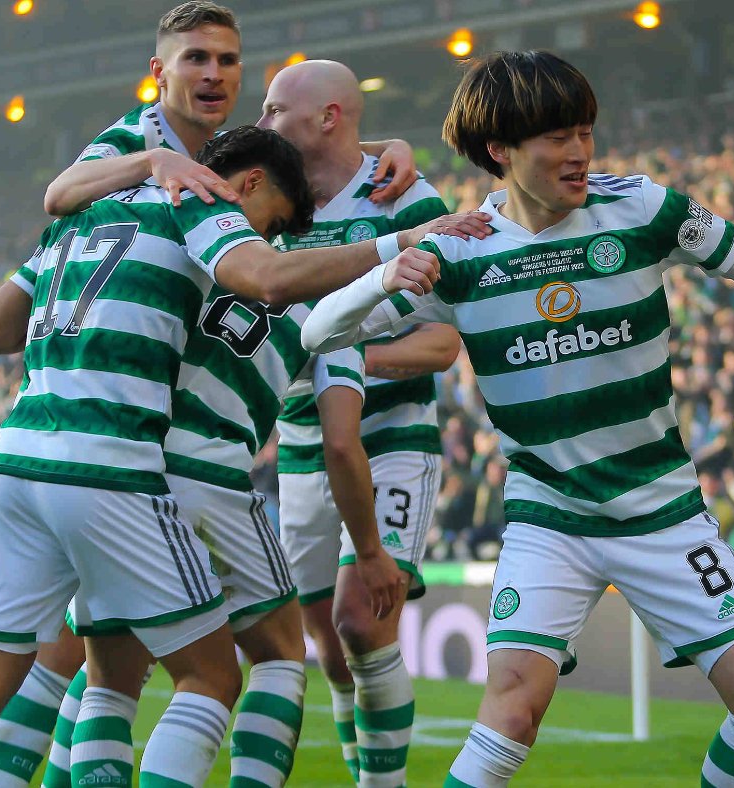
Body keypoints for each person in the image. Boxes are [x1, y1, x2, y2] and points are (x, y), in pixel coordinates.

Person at [302, 50, 734, 787]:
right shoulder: (457, 251)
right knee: (511, 712)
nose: (580, 152)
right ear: (500, 151)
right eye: (558, 138)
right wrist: (383, 276)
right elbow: (317, 333)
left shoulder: (642, 208)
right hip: (551, 519)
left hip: (662, 510)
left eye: (585, 132)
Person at [0, 126, 443, 788]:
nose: (265, 237)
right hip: (124, 466)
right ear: (247, 183)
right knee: (222, 672)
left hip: (17, 458)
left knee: (16, 683)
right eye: (270, 221)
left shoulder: (84, 214)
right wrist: (397, 247)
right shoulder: (206, 214)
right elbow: (271, 284)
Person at [258, 59, 461, 787]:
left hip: (391, 438)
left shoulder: (409, 201)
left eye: (275, 109)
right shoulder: (272, 203)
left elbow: (443, 341)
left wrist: (337, 357)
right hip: (302, 450)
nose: (262, 123)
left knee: (361, 621)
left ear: (328, 118)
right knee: (330, 647)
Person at [42, 2, 419, 220]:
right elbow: (59, 195)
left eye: (226, 61)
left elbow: (314, 149)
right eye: (196, 58)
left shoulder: (227, 147)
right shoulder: (136, 134)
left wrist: (390, 146)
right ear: (159, 73)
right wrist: (153, 161)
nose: (214, 74)